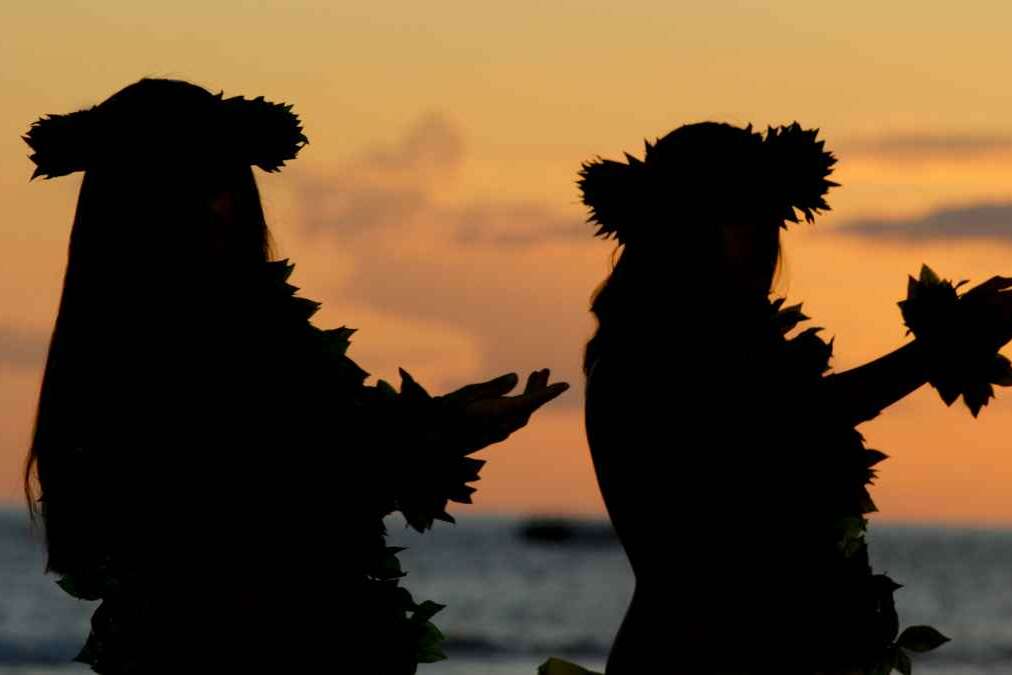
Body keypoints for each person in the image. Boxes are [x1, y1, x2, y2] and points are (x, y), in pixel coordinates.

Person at [22, 77, 569, 674]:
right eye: (188, 186)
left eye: (225, 183)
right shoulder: (147, 348)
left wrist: (448, 423)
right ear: (135, 204)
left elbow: (327, 455)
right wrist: (435, 432)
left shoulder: (242, 329)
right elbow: (275, 489)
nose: (217, 205)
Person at [577, 121, 1012, 674]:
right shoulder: (646, 355)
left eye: (770, 220)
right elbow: (787, 420)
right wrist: (943, 347)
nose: (765, 241)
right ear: (680, 231)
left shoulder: (732, 356)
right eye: (742, 218)